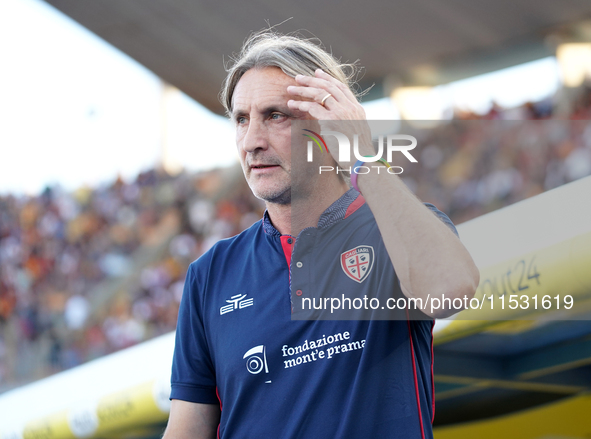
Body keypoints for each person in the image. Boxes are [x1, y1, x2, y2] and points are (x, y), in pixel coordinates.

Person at [163, 32, 479, 439]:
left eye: (276, 116)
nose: (252, 142)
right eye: (242, 119)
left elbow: (451, 289)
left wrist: (362, 157)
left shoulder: (394, 230)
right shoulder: (210, 273)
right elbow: (188, 428)